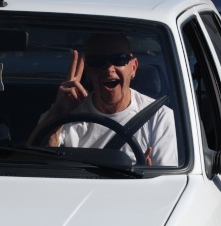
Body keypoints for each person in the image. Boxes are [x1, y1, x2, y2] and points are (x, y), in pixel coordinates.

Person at [28, 33, 177, 166]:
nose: (109, 68)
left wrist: (150, 179)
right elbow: (32, 163)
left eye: (119, 59)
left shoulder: (160, 118)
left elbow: (168, 184)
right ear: (88, 71)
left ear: (133, 68)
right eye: (98, 61)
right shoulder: (64, 114)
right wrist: (58, 113)